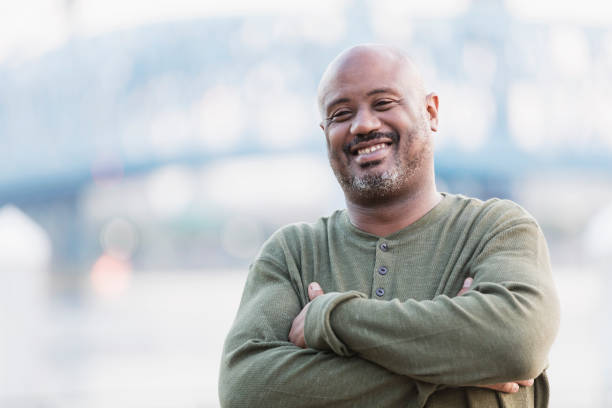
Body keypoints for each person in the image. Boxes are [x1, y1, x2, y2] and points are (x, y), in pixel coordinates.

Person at [218, 44, 560, 407]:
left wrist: (329, 319)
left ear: (431, 112)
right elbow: (246, 390)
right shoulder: (291, 253)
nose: (363, 124)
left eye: (383, 103)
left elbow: (515, 343)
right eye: (341, 113)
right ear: (325, 133)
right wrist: (456, 370)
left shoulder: (498, 229)